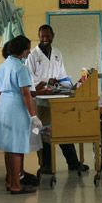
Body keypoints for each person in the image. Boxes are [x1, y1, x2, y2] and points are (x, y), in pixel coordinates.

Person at [26, 24, 87, 173]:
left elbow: (63, 75)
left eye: (48, 36)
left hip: (58, 98)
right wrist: (47, 81)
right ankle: (46, 165)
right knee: (44, 133)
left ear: (53, 35)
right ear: (38, 36)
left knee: (62, 130)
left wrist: (67, 84)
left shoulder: (58, 54)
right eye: (42, 36)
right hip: (40, 100)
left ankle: (73, 163)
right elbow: (29, 81)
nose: (45, 39)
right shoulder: (32, 56)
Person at [0, 36, 39, 195]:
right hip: (15, 108)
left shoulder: (1, 67)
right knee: (17, 147)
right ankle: (16, 185)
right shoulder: (21, 68)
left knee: (9, 148)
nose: (29, 52)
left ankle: (10, 180)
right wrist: (33, 116)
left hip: (3, 107)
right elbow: (25, 93)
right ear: (23, 51)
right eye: (28, 49)